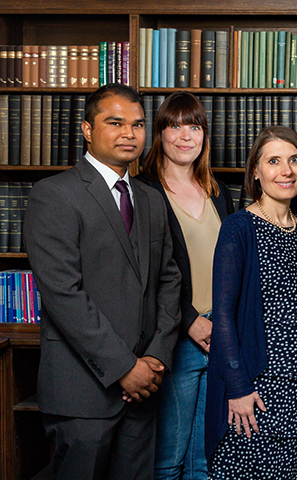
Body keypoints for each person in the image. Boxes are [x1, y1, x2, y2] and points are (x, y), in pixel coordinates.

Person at [23, 83, 182, 479]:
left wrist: (156, 359)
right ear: (87, 130)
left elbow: (169, 281)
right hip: (84, 392)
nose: (129, 133)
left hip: (145, 388)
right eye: (115, 123)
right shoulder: (53, 195)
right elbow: (64, 295)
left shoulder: (150, 199)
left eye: (138, 124)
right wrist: (124, 367)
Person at [205, 125, 297, 479]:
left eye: (294, 160)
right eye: (273, 161)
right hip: (255, 388)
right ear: (257, 172)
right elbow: (225, 316)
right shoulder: (238, 228)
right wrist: (238, 388)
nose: (286, 170)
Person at [135, 92, 234, 480]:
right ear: (160, 133)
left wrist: (222, 321)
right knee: (169, 458)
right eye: (174, 126)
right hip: (178, 336)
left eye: (194, 126)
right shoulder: (145, 193)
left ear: (204, 135)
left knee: (204, 459)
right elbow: (148, 273)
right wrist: (190, 320)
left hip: (220, 332)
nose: (184, 136)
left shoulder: (217, 191)